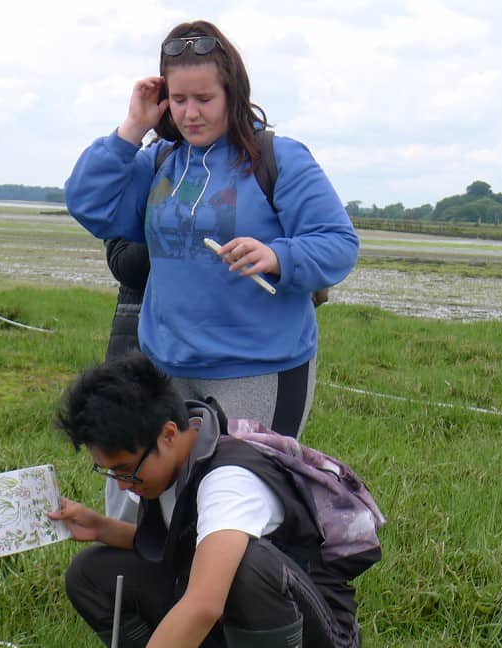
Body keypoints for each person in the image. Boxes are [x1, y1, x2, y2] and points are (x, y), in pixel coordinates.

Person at [49, 353, 369, 648]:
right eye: (109, 472)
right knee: (91, 575)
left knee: (243, 567)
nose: (122, 485)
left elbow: (202, 604)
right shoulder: (177, 458)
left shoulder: (229, 481)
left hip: (317, 647)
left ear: (166, 434)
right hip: (242, 622)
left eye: (126, 471)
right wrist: (102, 527)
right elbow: (179, 547)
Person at [64, 19, 358, 440]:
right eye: (178, 99)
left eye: (204, 98)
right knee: (168, 504)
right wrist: (131, 129)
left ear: (232, 94)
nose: (190, 113)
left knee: (246, 499)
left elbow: (339, 244)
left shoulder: (279, 158)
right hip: (163, 370)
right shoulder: (160, 160)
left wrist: (278, 256)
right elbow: (89, 204)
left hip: (259, 372)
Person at [101, 238, 151, 523]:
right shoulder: (140, 192)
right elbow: (125, 262)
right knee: (130, 458)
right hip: (136, 351)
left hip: (229, 360)